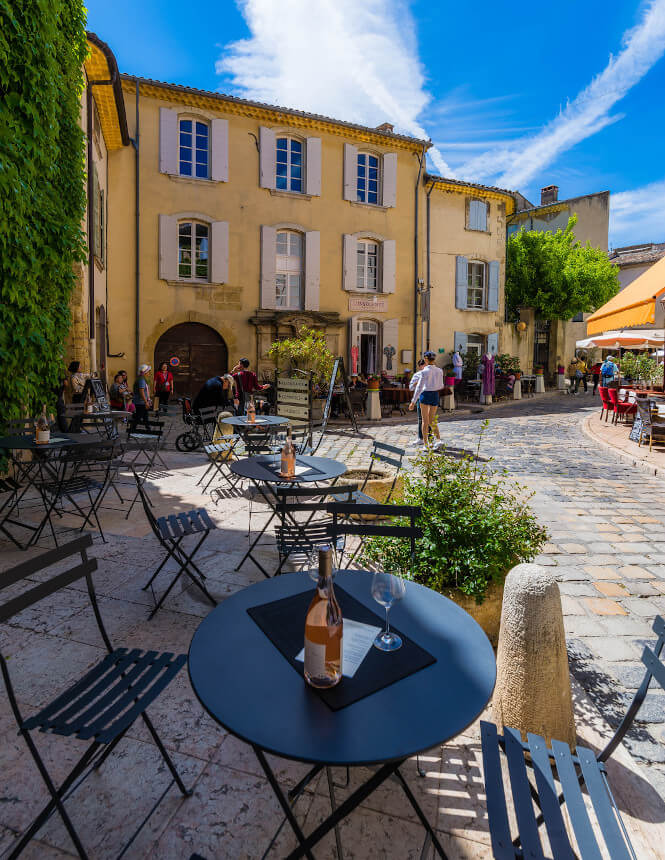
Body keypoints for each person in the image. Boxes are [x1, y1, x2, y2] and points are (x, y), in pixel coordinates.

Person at [409, 351, 444, 450]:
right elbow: (441, 385)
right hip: (435, 394)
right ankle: (438, 440)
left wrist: (413, 402)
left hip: (425, 394)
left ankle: (425, 444)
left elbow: (419, 387)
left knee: (425, 421)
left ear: (426, 359)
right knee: (432, 420)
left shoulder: (424, 371)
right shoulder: (440, 371)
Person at [408, 358, 427, 447]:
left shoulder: (430, 373)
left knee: (429, 419)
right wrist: (417, 383)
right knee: (421, 418)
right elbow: (411, 388)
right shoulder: (417, 375)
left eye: (425, 364)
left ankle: (429, 438)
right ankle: (420, 438)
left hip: (429, 396)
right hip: (420, 397)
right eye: (423, 365)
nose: (424, 366)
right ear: (419, 366)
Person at [131, 364, 152, 430]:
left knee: (145, 416)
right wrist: (146, 402)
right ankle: (132, 429)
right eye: (148, 371)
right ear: (145, 372)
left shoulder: (142, 379)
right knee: (139, 416)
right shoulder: (141, 380)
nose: (149, 373)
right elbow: (141, 392)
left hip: (141, 401)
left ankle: (148, 429)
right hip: (140, 402)